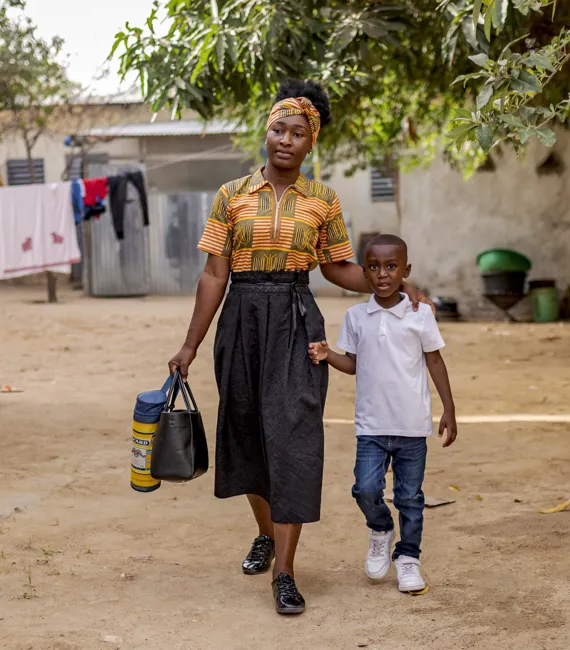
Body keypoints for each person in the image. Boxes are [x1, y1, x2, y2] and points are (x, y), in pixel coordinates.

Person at [168, 79, 431, 616]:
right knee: (247, 433)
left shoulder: (323, 201)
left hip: (294, 318)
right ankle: (265, 533)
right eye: (277, 129)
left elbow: (336, 267)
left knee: (292, 435)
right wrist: (189, 345)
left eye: (297, 133)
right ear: (265, 132)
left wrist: (395, 284)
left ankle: (284, 572)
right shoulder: (231, 195)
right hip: (240, 320)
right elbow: (215, 273)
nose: (285, 140)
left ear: (311, 144)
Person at [308, 234, 457, 593]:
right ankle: (380, 527)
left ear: (405, 271)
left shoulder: (420, 315)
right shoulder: (356, 316)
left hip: (411, 424)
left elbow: (434, 360)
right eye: (374, 267)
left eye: (392, 267)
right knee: (365, 488)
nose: (383, 274)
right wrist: (329, 356)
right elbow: (354, 364)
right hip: (371, 426)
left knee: (409, 497)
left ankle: (408, 559)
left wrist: (449, 408)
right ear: (364, 272)